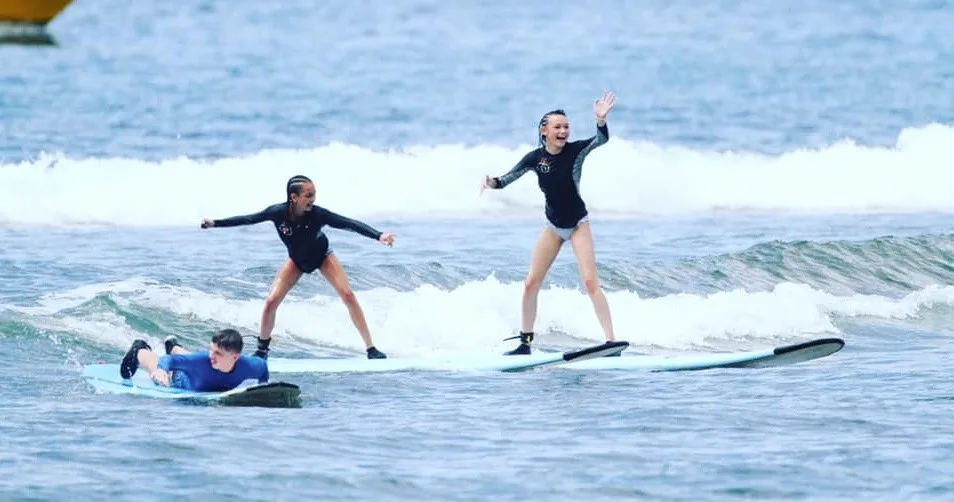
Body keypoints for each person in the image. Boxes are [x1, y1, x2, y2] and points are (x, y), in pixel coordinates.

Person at [480, 91, 619, 355]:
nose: (563, 131)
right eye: (557, 127)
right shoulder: (535, 159)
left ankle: (611, 342)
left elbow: (601, 139)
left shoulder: (576, 151)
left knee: (590, 282)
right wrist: (491, 183)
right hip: (553, 227)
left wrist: (601, 120)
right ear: (544, 131)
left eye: (566, 126)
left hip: (578, 224)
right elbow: (506, 179)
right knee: (531, 283)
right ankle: (525, 343)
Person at [200, 175, 395, 360]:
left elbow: (348, 223)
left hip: (322, 256)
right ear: (293, 197)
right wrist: (215, 223)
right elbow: (247, 219)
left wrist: (378, 235)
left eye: (314, 195)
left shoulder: (318, 214)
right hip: (297, 260)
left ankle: (371, 348)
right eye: (308, 195)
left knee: (348, 295)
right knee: (270, 302)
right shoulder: (277, 213)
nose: (313, 199)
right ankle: (262, 350)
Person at [118, 329, 269, 392]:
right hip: (178, 379)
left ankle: (173, 346)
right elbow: (169, 360)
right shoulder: (205, 360)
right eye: (211, 350)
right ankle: (139, 350)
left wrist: (262, 391)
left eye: (218, 353)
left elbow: (263, 369)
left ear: (235, 357)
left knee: (192, 360)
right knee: (156, 367)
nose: (212, 355)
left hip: (196, 370)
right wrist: (161, 369)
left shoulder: (249, 366)